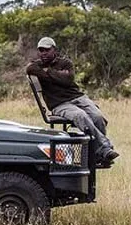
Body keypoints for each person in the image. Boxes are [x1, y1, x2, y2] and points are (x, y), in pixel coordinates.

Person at [26, 37, 119, 165]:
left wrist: (48, 72)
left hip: (78, 97)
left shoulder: (66, 63)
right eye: (41, 50)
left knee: (97, 116)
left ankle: (97, 155)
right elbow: (29, 69)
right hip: (59, 104)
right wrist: (58, 74)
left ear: (54, 50)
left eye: (47, 50)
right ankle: (105, 148)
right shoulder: (36, 65)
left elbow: (67, 80)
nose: (44, 53)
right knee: (80, 116)